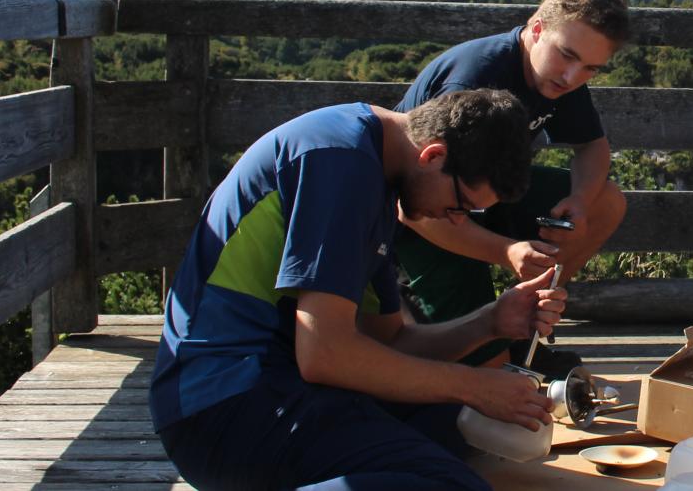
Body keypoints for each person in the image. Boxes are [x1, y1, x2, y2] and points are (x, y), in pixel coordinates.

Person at [151, 90, 564, 491]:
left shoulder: (376, 172)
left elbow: (390, 344)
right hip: (223, 407)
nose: (457, 222)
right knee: (449, 482)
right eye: (461, 205)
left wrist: (490, 322)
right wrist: (473, 385)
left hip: (275, 388)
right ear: (433, 155)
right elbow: (324, 355)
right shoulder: (341, 163)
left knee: (454, 425)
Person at [393, 0, 631, 374]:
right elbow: (409, 206)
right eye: (568, 56)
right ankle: (439, 313)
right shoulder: (474, 78)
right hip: (426, 217)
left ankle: (524, 327)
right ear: (536, 28)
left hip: (485, 197)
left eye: (592, 68)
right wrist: (504, 252)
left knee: (606, 202)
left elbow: (593, 147)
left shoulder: (558, 76)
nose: (573, 77)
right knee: (490, 372)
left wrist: (579, 201)